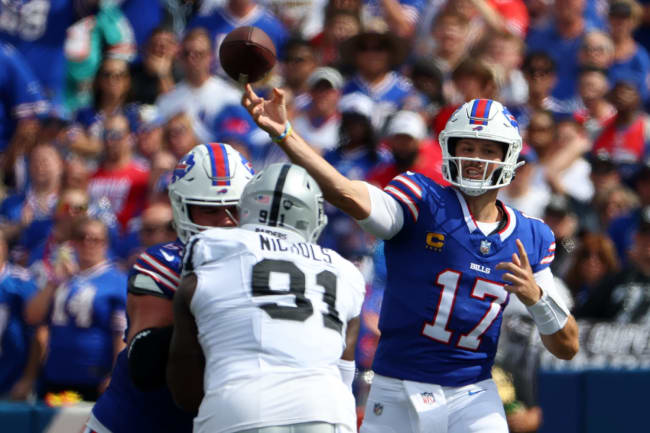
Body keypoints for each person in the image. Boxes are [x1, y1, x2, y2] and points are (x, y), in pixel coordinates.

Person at [242, 87, 579, 433]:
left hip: (474, 393)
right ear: (450, 150)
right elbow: (344, 192)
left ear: (508, 157)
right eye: (467, 147)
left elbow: (567, 346)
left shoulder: (531, 236)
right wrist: (285, 134)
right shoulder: (421, 199)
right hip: (399, 388)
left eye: (487, 150)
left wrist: (537, 300)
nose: (475, 158)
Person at [167, 163, 366, 433]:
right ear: (313, 218)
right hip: (329, 410)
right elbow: (344, 375)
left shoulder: (211, 246)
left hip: (241, 407)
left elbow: (186, 391)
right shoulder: (346, 272)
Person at [85, 142, 255, 433]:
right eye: (211, 210)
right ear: (183, 209)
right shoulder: (163, 264)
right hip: (139, 420)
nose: (227, 221)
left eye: (236, 208)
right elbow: (145, 365)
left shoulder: (270, 264)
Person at [24, 217, 127, 401]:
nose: (88, 243)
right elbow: (32, 317)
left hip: (94, 377)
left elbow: (121, 334)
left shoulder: (117, 281)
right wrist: (53, 282)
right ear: (73, 242)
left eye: (95, 239)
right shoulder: (59, 278)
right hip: (55, 375)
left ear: (105, 244)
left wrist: (115, 375)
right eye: (81, 237)